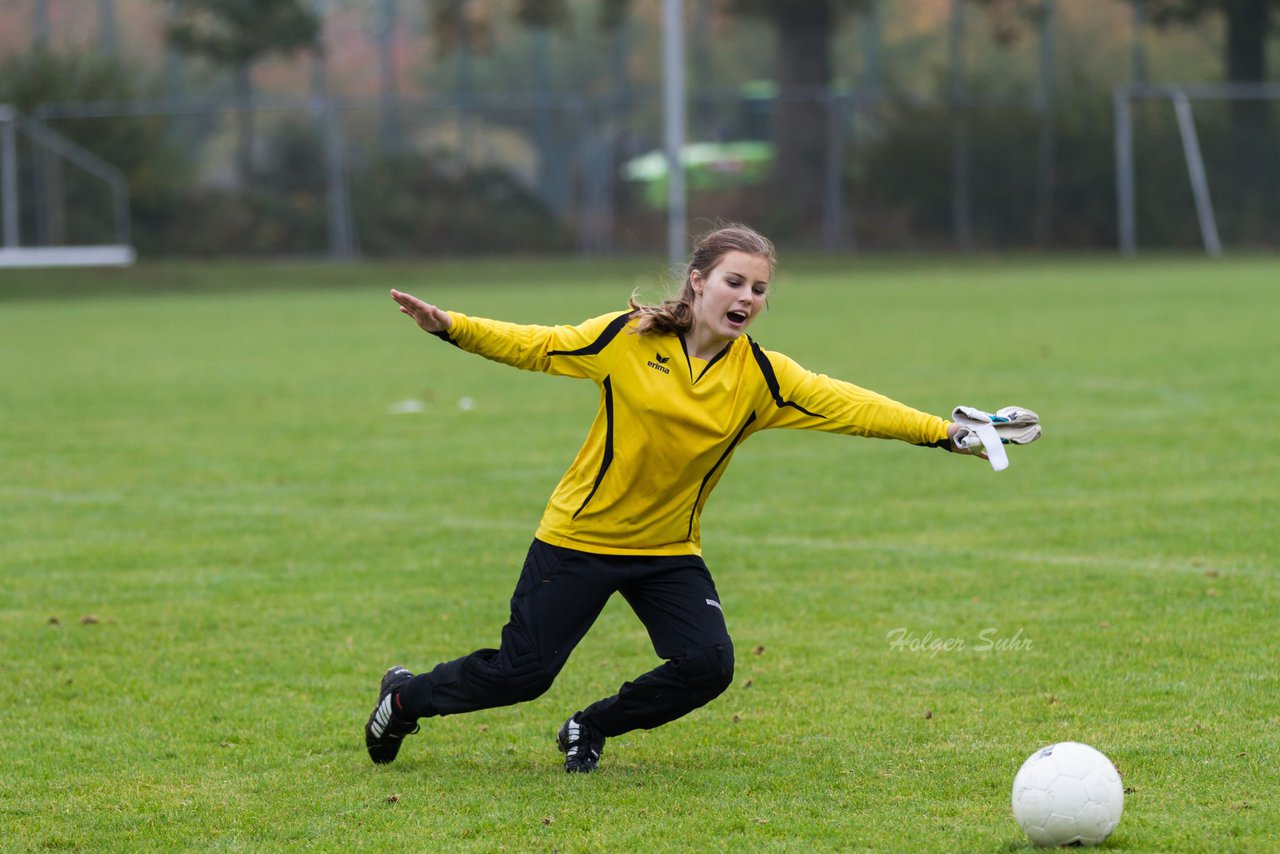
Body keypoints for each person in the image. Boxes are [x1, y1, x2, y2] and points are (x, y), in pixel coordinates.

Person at [365, 224, 1014, 773]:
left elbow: (850, 404)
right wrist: (451, 326)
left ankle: (590, 726)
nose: (749, 297)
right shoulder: (628, 339)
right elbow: (539, 344)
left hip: (667, 551)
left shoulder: (761, 376)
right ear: (698, 280)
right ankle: (405, 698)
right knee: (520, 675)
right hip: (578, 541)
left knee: (708, 664)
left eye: (760, 289)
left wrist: (945, 432)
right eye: (736, 281)